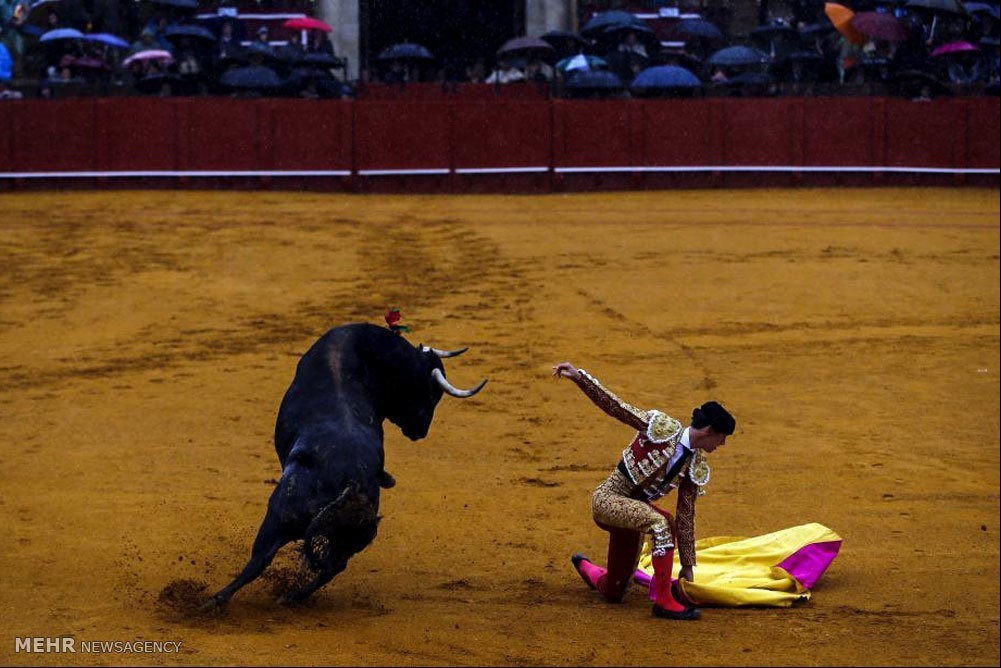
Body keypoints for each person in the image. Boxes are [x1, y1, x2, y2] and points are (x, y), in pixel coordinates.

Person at [552, 361, 736, 621]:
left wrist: (687, 565)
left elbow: (686, 515)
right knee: (662, 523)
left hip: (635, 516)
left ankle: (586, 567)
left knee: (615, 591)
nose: (722, 444)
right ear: (709, 431)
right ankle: (664, 601)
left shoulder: (695, 464)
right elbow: (618, 408)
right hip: (609, 499)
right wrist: (580, 378)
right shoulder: (661, 428)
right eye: (722, 437)